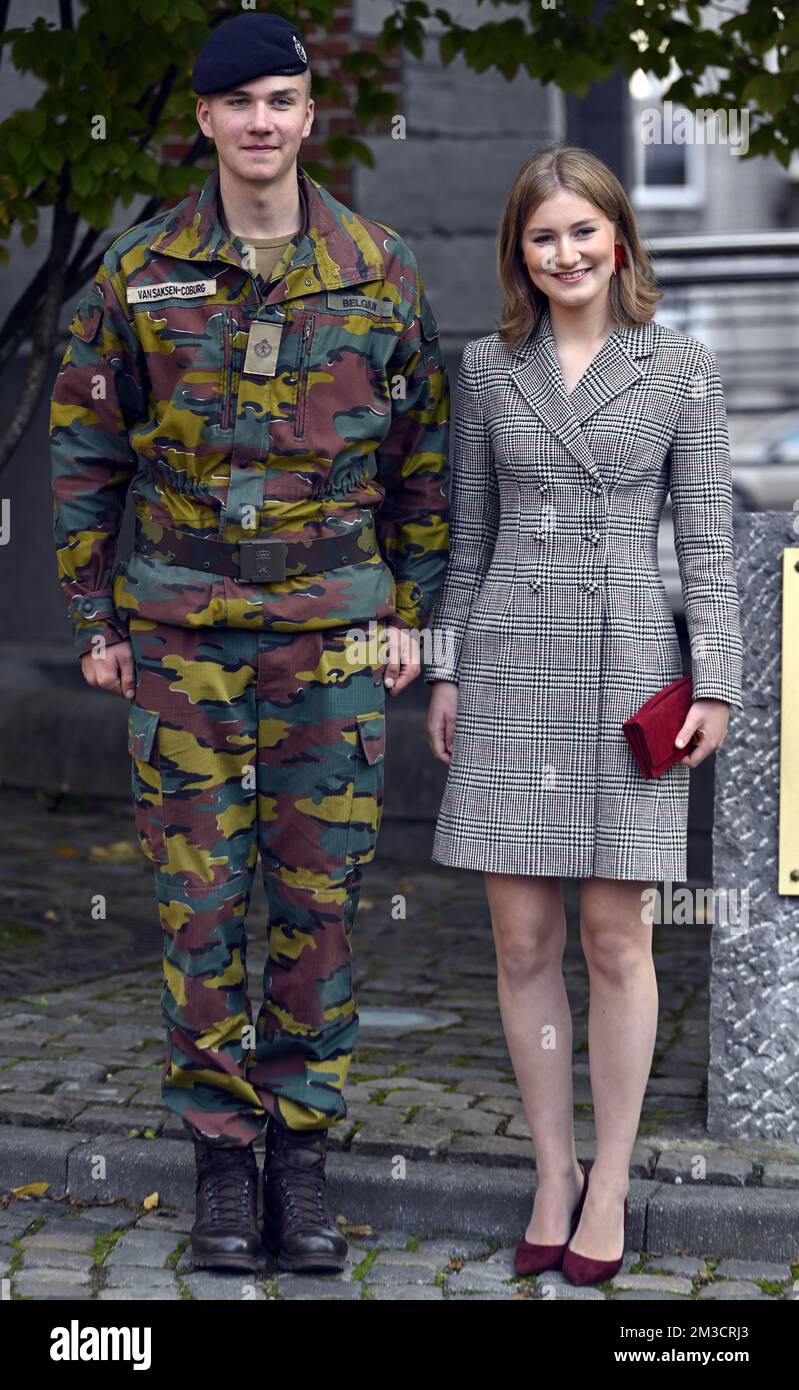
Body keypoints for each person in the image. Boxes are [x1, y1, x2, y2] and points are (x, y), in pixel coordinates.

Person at [50, 10, 450, 1276]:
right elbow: (85, 454)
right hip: (180, 638)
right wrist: (95, 620)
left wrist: (410, 614)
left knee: (320, 905)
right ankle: (224, 1166)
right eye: (241, 104)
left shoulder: (376, 267)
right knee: (200, 904)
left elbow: (422, 459)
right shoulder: (140, 269)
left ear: (309, 114)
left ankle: (306, 1165)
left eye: (284, 99)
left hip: (334, 630)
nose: (263, 122)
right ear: (208, 120)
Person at [424, 144, 742, 1286]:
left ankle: (609, 1179)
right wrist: (448, 666)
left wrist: (715, 681)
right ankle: (550, 1169)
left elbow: (704, 538)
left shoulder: (678, 368)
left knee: (617, 940)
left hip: (627, 671)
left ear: (619, 240)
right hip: (510, 663)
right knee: (522, 941)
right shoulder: (487, 367)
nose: (563, 253)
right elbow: (467, 537)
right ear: (521, 252)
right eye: (540, 236)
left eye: (581, 231)